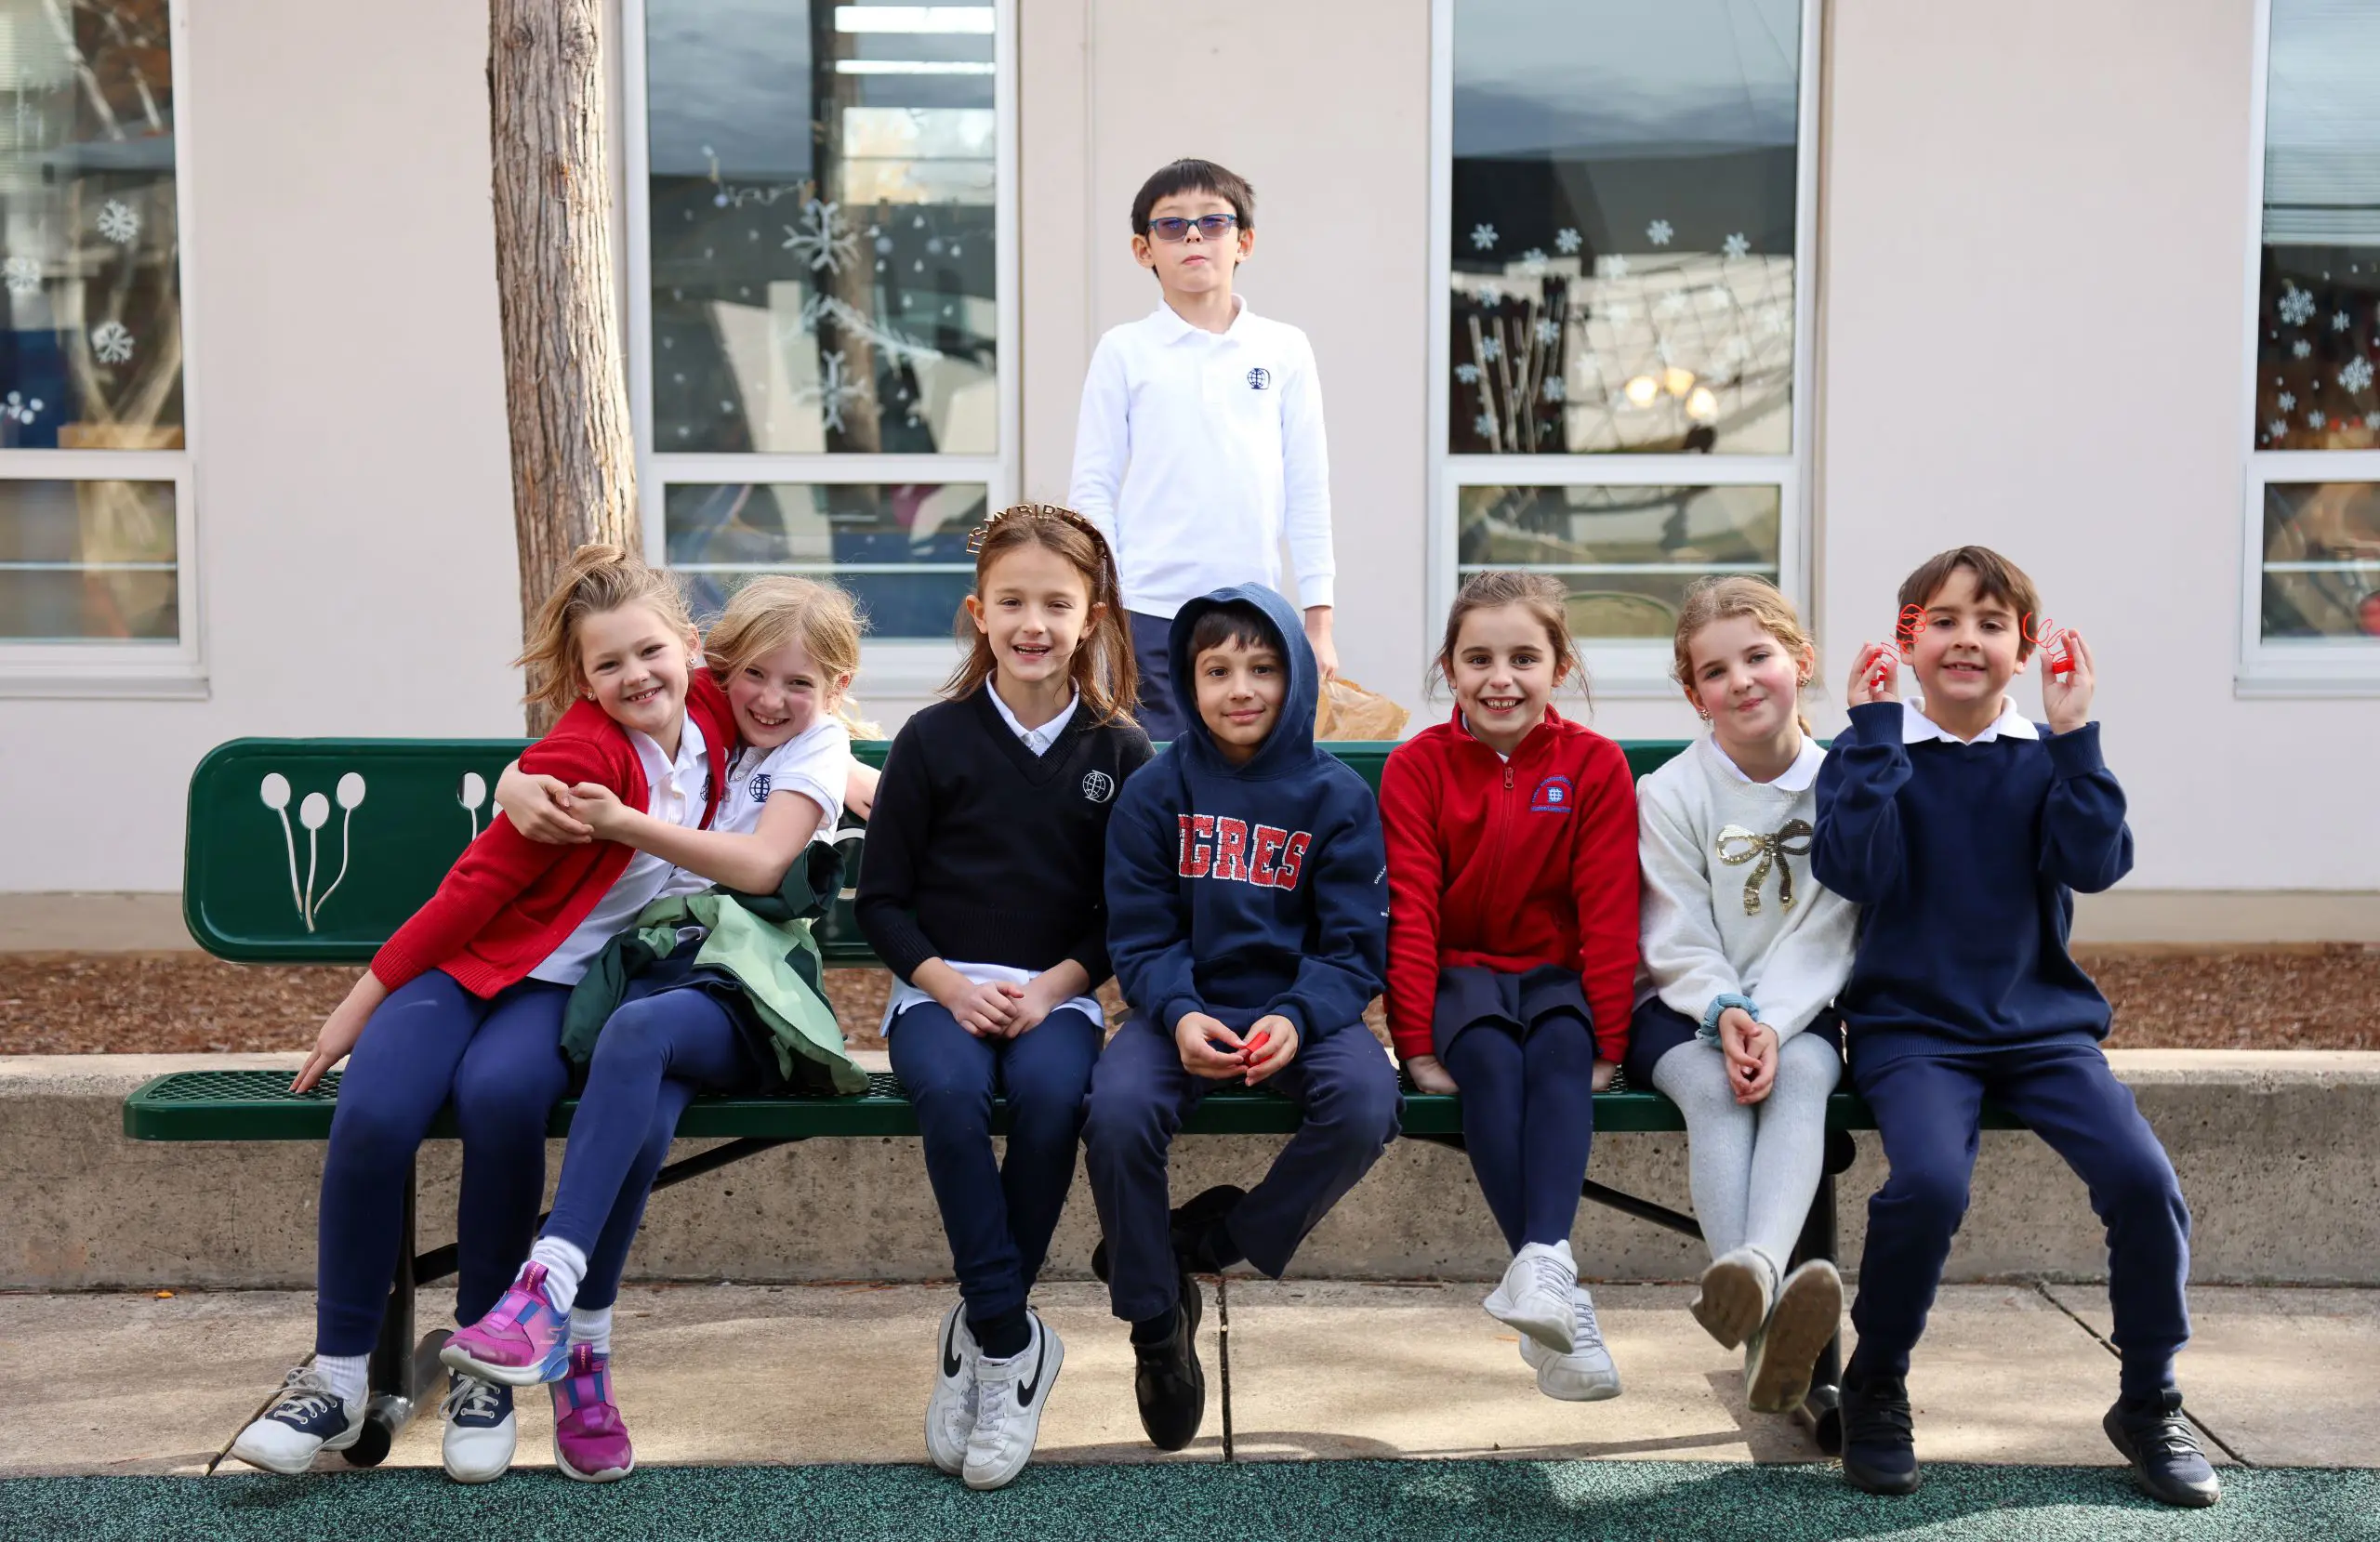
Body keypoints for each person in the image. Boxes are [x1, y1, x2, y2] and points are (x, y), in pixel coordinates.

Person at [228, 547, 736, 1482]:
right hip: (462, 969)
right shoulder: (580, 761)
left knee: (504, 1100)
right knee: (375, 1113)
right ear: (580, 681)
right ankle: (337, 1380)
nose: (636, 677)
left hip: (552, 993)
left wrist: (860, 780)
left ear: (690, 648)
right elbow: (471, 891)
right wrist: (358, 1005)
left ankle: (483, 1370)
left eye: (650, 653)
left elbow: (803, 679)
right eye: (607, 666)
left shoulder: (711, 709)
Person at [442, 576, 871, 1483]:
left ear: (834, 688)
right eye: (754, 675)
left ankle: (544, 1290)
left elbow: (761, 866)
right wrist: (524, 776)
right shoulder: (724, 722)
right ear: (719, 665)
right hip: (667, 982)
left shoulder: (816, 746)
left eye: (798, 685)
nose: (770, 699)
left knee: (637, 1041)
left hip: (749, 999)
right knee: (648, 1092)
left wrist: (626, 823)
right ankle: (583, 1356)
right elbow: (615, 708)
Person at [1814, 547, 2215, 1509]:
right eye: (1943, 621)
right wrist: (1871, 736)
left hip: (2040, 1029)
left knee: (2142, 1180)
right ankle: (1877, 1383)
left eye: (1991, 625)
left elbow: (2095, 863)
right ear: (1907, 640)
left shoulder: (2045, 755)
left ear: (2023, 648)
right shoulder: (1867, 750)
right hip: (1911, 1028)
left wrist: (2078, 739)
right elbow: (1851, 871)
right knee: (1927, 1186)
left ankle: (2148, 1395)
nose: (1966, 640)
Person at [854, 504, 1153, 1490]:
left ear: (1092, 618)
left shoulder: (1121, 752)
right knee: (945, 1097)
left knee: (1051, 1100)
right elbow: (882, 903)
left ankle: (989, 1333)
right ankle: (1008, 1340)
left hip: (1054, 997)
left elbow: (1126, 913)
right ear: (977, 613)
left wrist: (1059, 987)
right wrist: (940, 983)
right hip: (937, 993)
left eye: (1056, 604)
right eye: (1013, 601)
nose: (1034, 623)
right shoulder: (932, 740)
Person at [1082, 583, 1399, 1451]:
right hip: (1178, 1011)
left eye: (1263, 666)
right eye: (1216, 669)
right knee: (1115, 1112)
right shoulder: (1156, 791)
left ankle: (1214, 1239)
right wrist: (1179, 1013)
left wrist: (1299, 1017)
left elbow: (1352, 947)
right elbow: (1139, 934)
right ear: (1187, 681)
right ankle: (1156, 1326)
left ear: (1296, 674)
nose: (1241, 687)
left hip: (1303, 1016)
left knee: (1367, 1104)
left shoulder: (1336, 797)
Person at [1380, 571, 1637, 1402]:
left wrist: (1612, 1039)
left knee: (1560, 1053)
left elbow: (1607, 910)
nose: (1501, 677)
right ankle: (1559, 1286)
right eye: (1478, 657)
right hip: (1461, 978)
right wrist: (1415, 1043)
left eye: (1524, 656)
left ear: (1559, 666)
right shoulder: (1419, 767)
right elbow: (1412, 911)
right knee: (1489, 1060)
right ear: (1448, 669)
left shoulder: (1593, 765)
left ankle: (1542, 1276)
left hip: (1555, 976)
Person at [1625, 576, 1856, 1418]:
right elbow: (1675, 931)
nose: (1743, 681)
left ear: (1801, 660)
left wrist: (1768, 1020)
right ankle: (1763, 1304)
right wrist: (1725, 1012)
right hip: (1685, 1012)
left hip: (1798, 1013)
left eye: (1759, 656)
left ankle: (1754, 1281)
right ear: (1694, 695)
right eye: (1716, 672)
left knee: (1798, 1078)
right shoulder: (1671, 792)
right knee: (1720, 1092)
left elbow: (1828, 932)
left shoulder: (1842, 787)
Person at [1068, 158, 1337, 740]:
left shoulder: (1284, 348)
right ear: (1144, 250)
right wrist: (1107, 610)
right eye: (1172, 225)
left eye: (1213, 223)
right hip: (1147, 612)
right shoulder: (1124, 350)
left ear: (1244, 241)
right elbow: (1092, 487)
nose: (1193, 235)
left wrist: (1318, 619)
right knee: (1153, 770)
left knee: (1248, 772)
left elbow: (1307, 486)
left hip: (1256, 610)